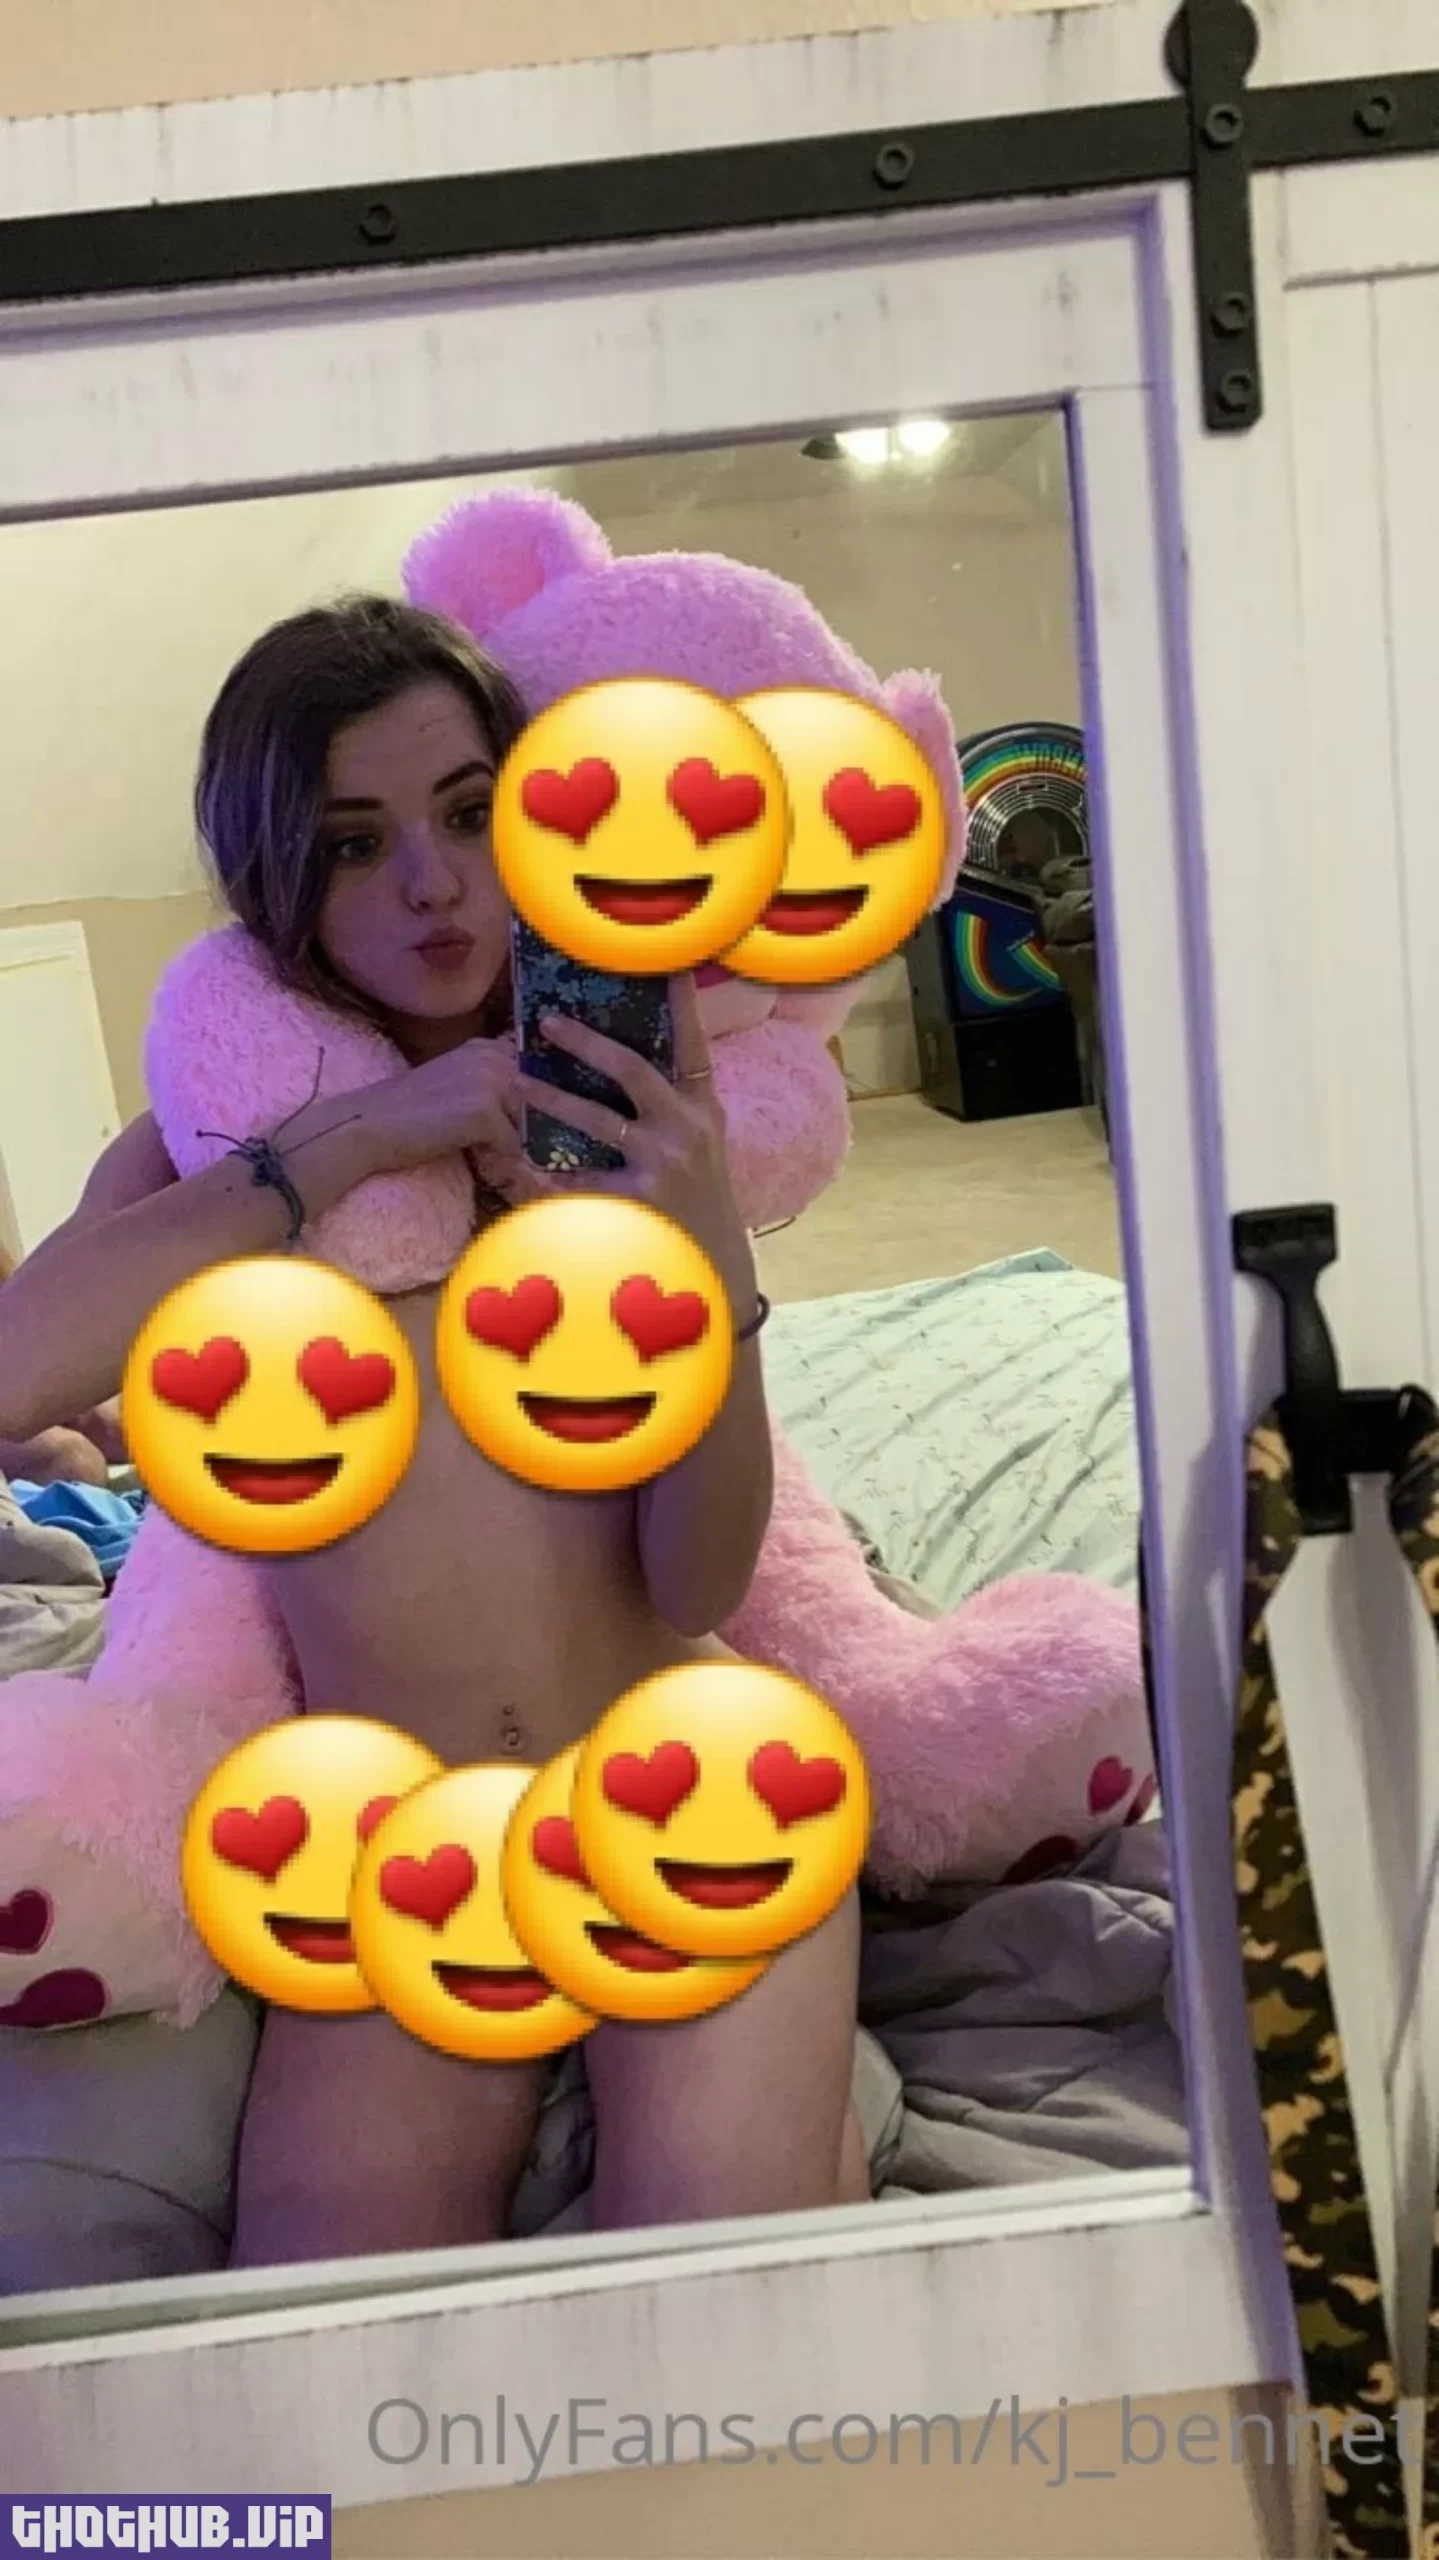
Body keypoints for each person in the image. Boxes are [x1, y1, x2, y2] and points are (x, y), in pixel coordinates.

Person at [0, 596, 866, 2266]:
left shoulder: (626, 1110)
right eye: (353, 843)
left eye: (470, 812)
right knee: (336, 2326)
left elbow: (699, 1577)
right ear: (278, 883)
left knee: (724, 2292)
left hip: (683, 1771)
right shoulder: (214, 1150)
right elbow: (15, 1375)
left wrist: (710, 1262)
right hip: (393, 1835)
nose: (433, 883)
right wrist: (356, 1139)